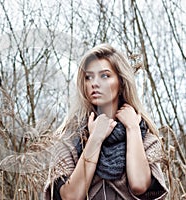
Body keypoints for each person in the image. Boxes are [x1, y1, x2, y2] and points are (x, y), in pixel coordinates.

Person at [44, 44, 168, 200]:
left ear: (121, 82)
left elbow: (140, 186)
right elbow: (71, 196)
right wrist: (95, 138)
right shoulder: (69, 139)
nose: (95, 83)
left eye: (104, 76)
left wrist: (132, 128)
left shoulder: (144, 137)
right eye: (89, 77)